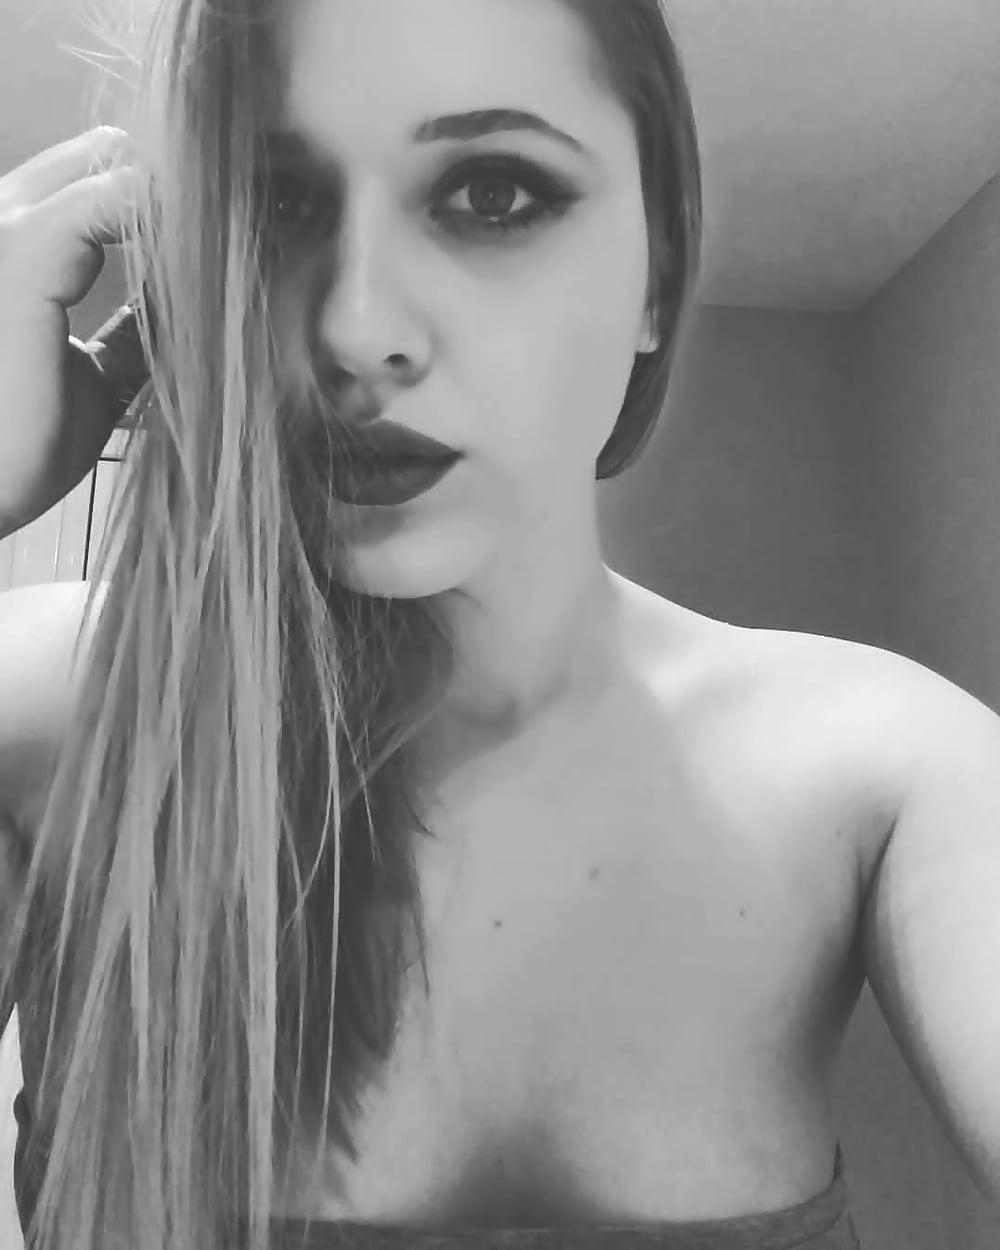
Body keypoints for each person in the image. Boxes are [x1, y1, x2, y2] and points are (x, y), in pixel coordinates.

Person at [0, 1, 998, 1248]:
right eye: (274, 202)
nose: (356, 330)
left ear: (658, 275)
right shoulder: (51, 713)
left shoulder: (881, 766)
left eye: (491, 194)